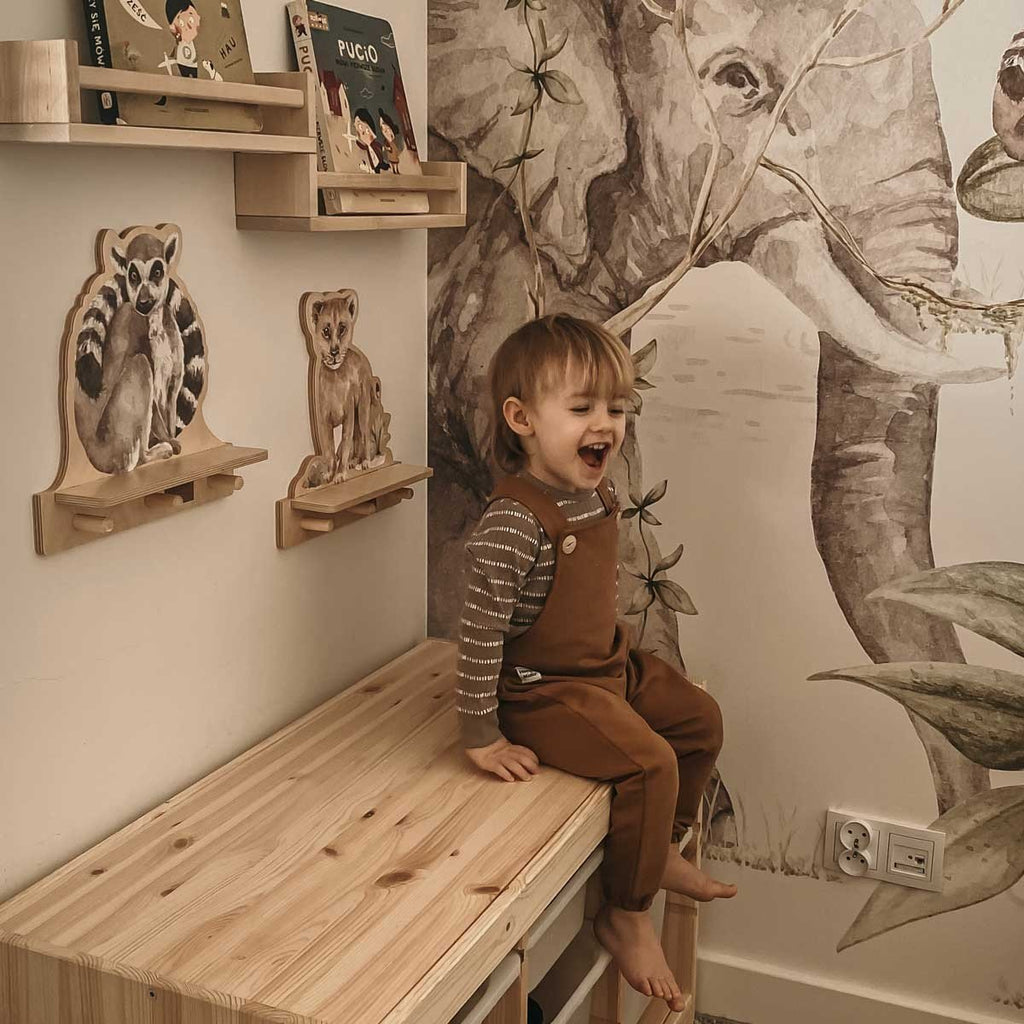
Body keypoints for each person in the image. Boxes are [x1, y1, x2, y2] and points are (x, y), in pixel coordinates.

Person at [456, 314, 737, 1013]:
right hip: (542, 692)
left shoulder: (595, 493)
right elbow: (479, 631)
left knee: (699, 720)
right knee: (650, 763)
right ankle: (626, 911)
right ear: (521, 418)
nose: (605, 424)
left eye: (616, 407)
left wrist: (623, 670)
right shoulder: (514, 522)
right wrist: (481, 735)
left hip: (603, 666)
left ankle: (659, 849)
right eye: (581, 408)